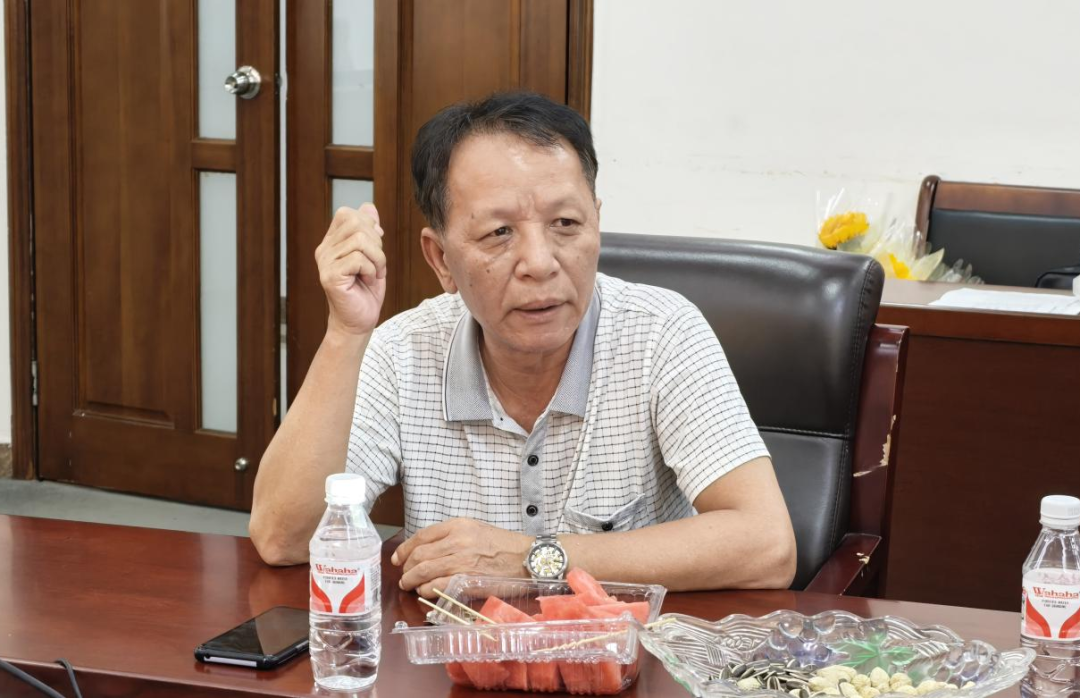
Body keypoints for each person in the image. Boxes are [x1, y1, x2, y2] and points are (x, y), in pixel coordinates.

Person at [249, 91, 796, 597]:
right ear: (441, 260)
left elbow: (767, 546)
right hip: (453, 654)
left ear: (597, 224)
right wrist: (346, 334)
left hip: (623, 653)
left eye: (566, 223)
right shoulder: (403, 351)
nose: (539, 262)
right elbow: (283, 538)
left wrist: (532, 559)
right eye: (499, 233)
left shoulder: (661, 333)